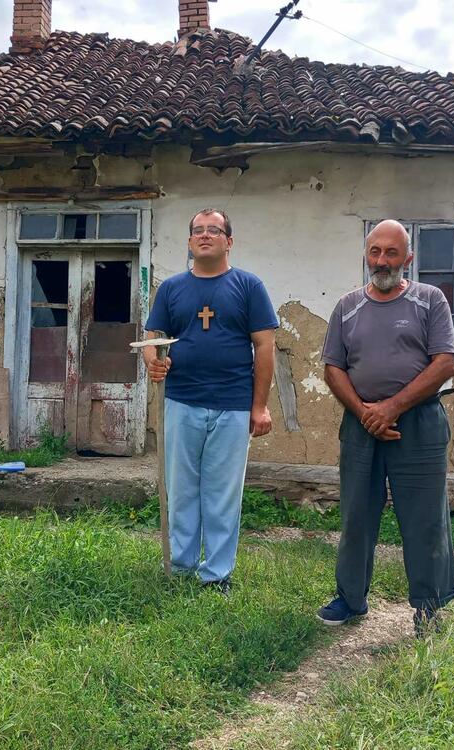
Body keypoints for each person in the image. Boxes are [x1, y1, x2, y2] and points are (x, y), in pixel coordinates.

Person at [316, 219, 454, 636]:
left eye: (391, 252)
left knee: (425, 516)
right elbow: (333, 368)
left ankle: (429, 606)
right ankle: (350, 598)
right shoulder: (347, 306)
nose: (382, 261)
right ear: (367, 255)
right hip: (360, 424)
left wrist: (392, 407)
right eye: (375, 251)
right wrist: (367, 414)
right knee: (356, 514)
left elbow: (445, 362)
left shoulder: (430, 300)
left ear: (408, 258)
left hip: (419, 422)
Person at [144, 208, 278, 593]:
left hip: (233, 404)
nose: (205, 235)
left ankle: (216, 574)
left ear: (228, 241)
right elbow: (153, 339)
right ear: (189, 241)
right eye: (198, 230)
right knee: (181, 489)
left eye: (214, 230)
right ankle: (181, 566)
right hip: (181, 401)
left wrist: (259, 406)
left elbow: (264, 346)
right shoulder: (171, 289)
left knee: (222, 494)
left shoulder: (248, 286)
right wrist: (153, 362)